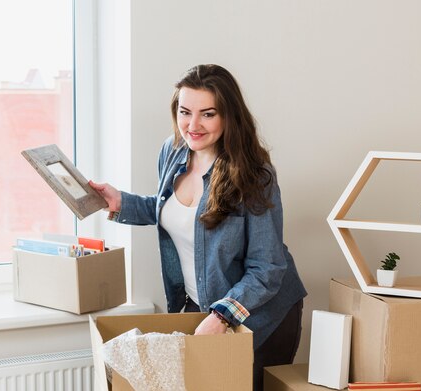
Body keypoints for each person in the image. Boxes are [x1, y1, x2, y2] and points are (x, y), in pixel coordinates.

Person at [89, 64, 307, 391]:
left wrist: (222, 317)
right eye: (184, 111)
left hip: (259, 314)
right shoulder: (173, 150)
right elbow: (173, 212)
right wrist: (120, 202)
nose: (193, 125)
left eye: (207, 114)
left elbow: (269, 267)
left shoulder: (254, 174)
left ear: (229, 116)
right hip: (202, 306)